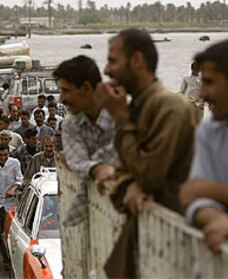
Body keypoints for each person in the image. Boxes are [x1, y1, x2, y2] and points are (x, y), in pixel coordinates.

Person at [97, 29, 196, 278]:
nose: (107, 70)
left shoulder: (169, 107)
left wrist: (120, 117)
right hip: (151, 246)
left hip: (176, 249)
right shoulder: (139, 106)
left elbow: (149, 174)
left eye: (113, 60)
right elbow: (124, 175)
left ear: (137, 61)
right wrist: (130, 183)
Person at [179, 39, 228, 252]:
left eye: (210, 82)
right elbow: (191, 196)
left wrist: (215, 190)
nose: (201, 93)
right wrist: (216, 217)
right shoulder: (211, 130)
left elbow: (201, 188)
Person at [53, 55, 118, 227]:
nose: (62, 99)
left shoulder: (120, 112)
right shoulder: (70, 124)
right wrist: (97, 169)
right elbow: (77, 160)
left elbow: (128, 149)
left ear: (87, 88)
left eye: (66, 91)